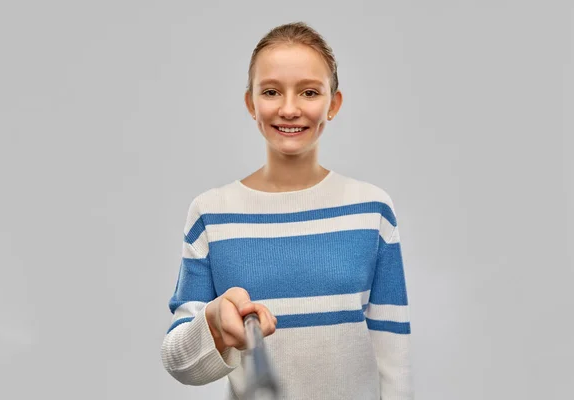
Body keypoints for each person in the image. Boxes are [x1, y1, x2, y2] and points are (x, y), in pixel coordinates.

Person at [160, 21, 414, 400]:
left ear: (334, 103)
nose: (290, 109)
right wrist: (214, 321)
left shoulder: (372, 210)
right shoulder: (211, 214)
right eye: (271, 91)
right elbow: (178, 361)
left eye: (309, 92)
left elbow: (393, 357)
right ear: (251, 103)